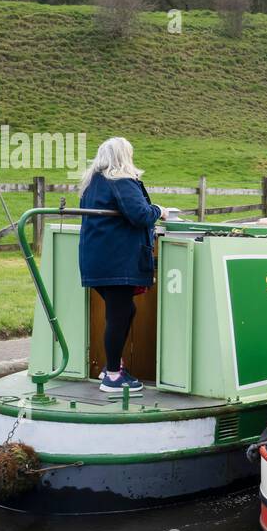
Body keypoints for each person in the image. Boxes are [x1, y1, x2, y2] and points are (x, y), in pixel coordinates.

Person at [78, 136, 165, 393]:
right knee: (119, 314)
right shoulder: (122, 180)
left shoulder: (92, 183)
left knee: (124, 312)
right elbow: (140, 214)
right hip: (117, 263)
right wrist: (160, 210)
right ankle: (113, 376)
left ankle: (112, 366)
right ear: (123, 157)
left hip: (96, 260)